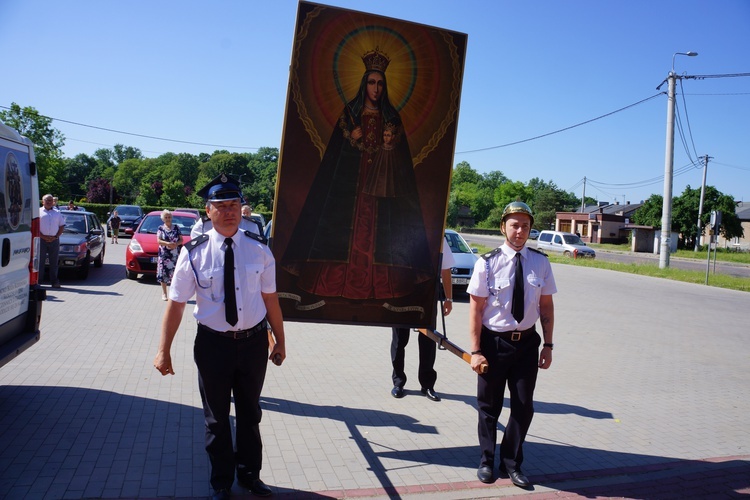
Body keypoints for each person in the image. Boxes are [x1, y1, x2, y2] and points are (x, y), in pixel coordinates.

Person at [154, 173, 286, 500]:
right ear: (208, 211)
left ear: (242, 208)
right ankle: (221, 483)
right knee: (216, 419)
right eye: (221, 205)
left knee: (250, 414)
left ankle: (250, 474)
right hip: (213, 345)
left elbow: (271, 300)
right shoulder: (193, 253)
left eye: (234, 204)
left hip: (254, 343)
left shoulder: (259, 251)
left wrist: (281, 340)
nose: (229, 211)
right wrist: (163, 351)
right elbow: (176, 304)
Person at [281, 48, 433, 300]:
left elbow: (402, 160)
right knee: (346, 229)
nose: (376, 89)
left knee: (381, 232)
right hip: (349, 184)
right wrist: (350, 139)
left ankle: (383, 285)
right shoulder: (350, 114)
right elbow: (333, 158)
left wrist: (389, 148)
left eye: (380, 84)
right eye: (372, 83)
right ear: (365, 84)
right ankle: (335, 283)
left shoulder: (392, 117)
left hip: (383, 186)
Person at [467, 201, 556, 489]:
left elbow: (546, 307)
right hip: (493, 344)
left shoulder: (540, 262)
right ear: (503, 226)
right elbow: (476, 310)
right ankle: (485, 459)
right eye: (514, 225)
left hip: (527, 345)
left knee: (523, 407)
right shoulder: (487, 262)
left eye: (525, 225)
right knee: (488, 407)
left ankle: (511, 463)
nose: (520, 231)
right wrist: (476, 351)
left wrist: (549, 345)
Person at [390, 241, 455, 402]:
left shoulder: (437, 233)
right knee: (399, 341)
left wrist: (449, 298)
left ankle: (427, 385)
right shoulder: (397, 230)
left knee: (428, 341)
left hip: (427, 295)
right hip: (400, 294)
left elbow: (445, 269)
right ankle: (398, 383)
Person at [39, 194, 66, 288]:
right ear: (43, 202)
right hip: (41, 240)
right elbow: (34, 227)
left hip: (54, 240)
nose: (49, 202)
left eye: (50, 200)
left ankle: (54, 281)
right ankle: (38, 281)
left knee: (54, 262)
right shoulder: (38, 212)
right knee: (40, 262)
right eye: (47, 200)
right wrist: (42, 236)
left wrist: (56, 236)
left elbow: (62, 226)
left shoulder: (57, 212)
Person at [156, 210, 181, 301]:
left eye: (169, 217)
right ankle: (164, 293)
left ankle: (173, 293)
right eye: (166, 217)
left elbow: (181, 240)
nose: (168, 219)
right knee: (163, 274)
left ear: (171, 218)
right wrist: (167, 243)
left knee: (174, 274)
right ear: (163, 218)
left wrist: (176, 244)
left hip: (174, 255)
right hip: (164, 255)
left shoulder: (176, 228)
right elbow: (158, 241)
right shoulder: (160, 228)